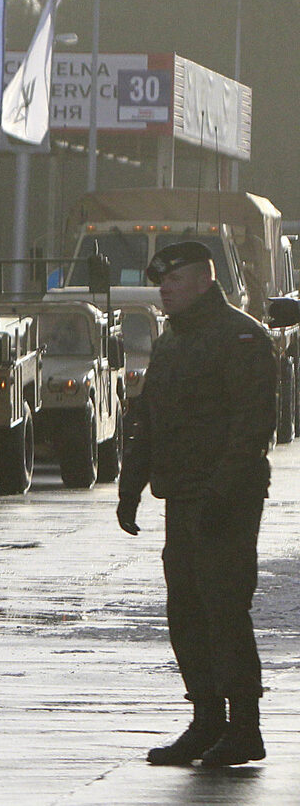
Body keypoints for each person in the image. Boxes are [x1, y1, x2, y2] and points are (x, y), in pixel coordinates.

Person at [117, 239, 274, 767]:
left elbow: (252, 428)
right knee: (186, 612)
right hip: (181, 497)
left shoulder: (240, 336)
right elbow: (149, 420)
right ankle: (207, 721)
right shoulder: (172, 340)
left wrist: (220, 494)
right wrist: (130, 487)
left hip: (225, 500)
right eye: (162, 282)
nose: (165, 290)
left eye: (175, 281)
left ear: (204, 281)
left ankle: (244, 728)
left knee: (224, 608)